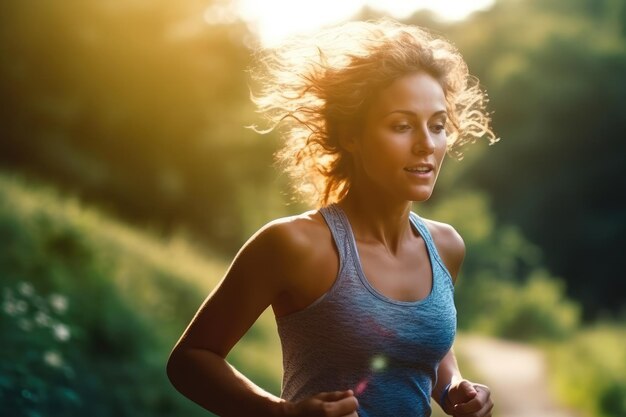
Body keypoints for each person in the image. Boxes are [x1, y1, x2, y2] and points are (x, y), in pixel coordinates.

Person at [167, 18, 498, 417]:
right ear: (350, 135)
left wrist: (453, 387)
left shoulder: (446, 247)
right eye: (401, 126)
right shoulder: (293, 245)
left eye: (438, 126)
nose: (426, 144)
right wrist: (282, 413)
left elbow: (425, 346)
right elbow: (190, 360)